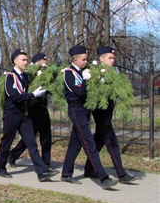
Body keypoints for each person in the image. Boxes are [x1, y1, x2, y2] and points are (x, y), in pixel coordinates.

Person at [60, 45, 118, 189]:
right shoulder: (68, 73)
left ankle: (66, 174)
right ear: (75, 59)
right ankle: (103, 178)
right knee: (89, 143)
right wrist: (87, 81)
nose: (86, 61)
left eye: (86, 59)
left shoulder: (83, 71)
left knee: (75, 142)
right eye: (83, 59)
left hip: (85, 110)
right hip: (76, 110)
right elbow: (79, 92)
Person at [0, 49, 58, 181]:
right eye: (23, 60)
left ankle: (42, 172)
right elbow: (14, 96)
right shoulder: (10, 77)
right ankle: (0, 167)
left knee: (31, 142)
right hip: (12, 114)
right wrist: (32, 95)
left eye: (26, 59)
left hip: (24, 115)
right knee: (7, 141)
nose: (26, 62)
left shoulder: (24, 77)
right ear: (15, 61)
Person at [83, 46, 138, 184]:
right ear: (101, 59)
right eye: (110, 58)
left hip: (108, 111)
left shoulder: (113, 73)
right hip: (101, 112)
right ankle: (122, 174)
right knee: (112, 142)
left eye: (113, 58)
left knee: (99, 140)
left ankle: (89, 169)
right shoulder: (95, 74)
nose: (113, 60)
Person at [9, 53, 53, 169]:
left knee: (46, 137)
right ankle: (13, 154)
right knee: (29, 139)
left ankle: (46, 164)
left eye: (45, 60)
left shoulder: (47, 74)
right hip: (33, 110)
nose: (45, 63)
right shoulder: (29, 75)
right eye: (42, 61)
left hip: (43, 109)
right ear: (36, 62)